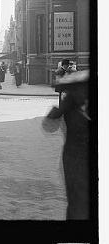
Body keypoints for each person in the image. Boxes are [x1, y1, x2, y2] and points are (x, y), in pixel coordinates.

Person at [42, 69, 90, 220]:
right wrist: (55, 113)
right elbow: (49, 127)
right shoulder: (70, 103)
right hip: (76, 160)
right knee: (79, 205)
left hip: (76, 158)